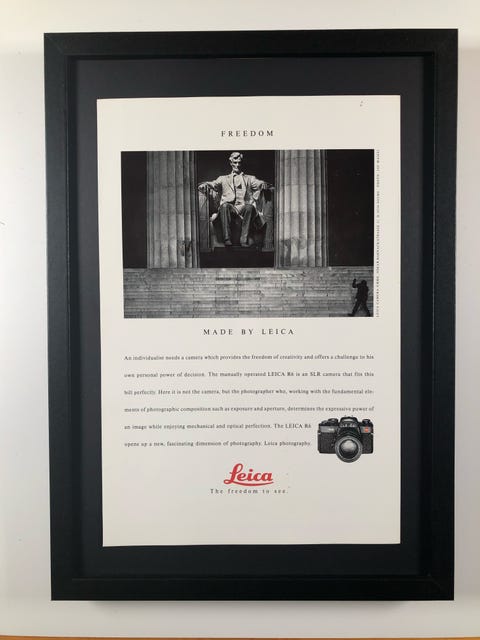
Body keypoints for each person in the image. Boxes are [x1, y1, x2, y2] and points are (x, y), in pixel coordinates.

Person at [198, 152, 269, 247]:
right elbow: (213, 184)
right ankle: (227, 239)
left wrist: (263, 184)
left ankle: (244, 239)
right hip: (230, 208)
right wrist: (205, 184)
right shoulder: (223, 179)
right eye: (235, 162)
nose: (237, 165)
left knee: (250, 207)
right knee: (225, 206)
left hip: (244, 208)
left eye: (239, 162)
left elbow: (258, 183)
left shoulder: (249, 178)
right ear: (231, 163)